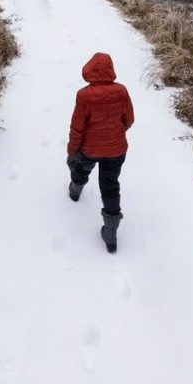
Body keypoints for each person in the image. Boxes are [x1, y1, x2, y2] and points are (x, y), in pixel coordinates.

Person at [66, 52, 135, 253]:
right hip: (116, 150)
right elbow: (129, 119)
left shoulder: (84, 95)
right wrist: (117, 133)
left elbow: (77, 127)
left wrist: (72, 150)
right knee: (110, 185)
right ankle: (111, 233)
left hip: (89, 149)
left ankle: (75, 191)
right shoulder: (121, 91)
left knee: (80, 169)